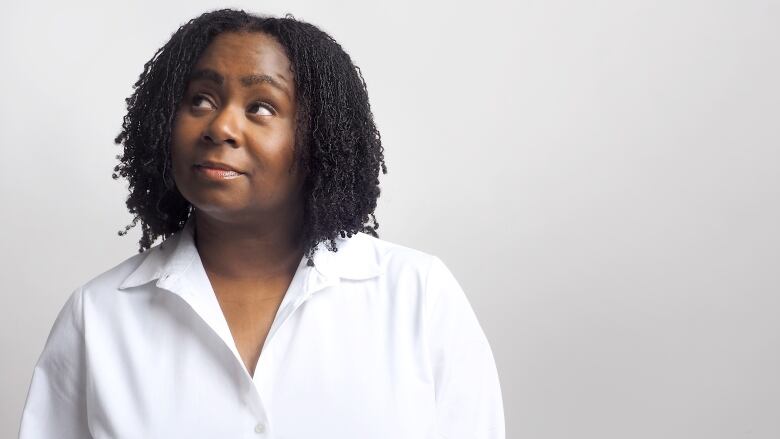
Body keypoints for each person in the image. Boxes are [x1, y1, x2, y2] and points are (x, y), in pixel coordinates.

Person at [18, 8, 505, 439]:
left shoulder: (419, 296)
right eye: (200, 100)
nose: (220, 127)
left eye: (261, 108)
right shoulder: (99, 316)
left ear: (319, 139)